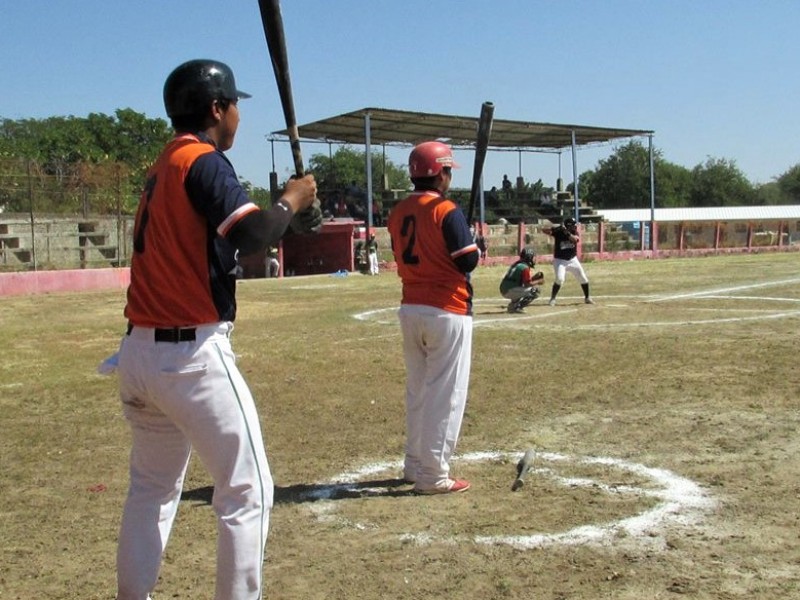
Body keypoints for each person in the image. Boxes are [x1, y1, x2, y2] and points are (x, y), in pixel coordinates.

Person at [115, 59, 319, 600]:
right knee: (248, 490)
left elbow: (229, 235)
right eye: (234, 106)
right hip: (189, 356)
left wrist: (292, 215)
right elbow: (252, 234)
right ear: (215, 109)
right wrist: (292, 200)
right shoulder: (203, 161)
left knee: (152, 491)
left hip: (139, 353)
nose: (236, 117)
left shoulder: (164, 164)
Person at [387, 141, 480, 495]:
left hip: (411, 305)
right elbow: (466, 261)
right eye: (448, 170)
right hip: (447, 308)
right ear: (439, 172)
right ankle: (433, 474)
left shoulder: (398, 211)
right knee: (446, 393)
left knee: (418, 390)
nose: (449, 176)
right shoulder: (446, 210)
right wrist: (475, 243)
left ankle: (414, 464)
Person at [542, 216, 594, 306]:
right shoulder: (559, 232)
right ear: (568, 226)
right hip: (560, 260)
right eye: (573, 225)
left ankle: (587, 297)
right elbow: (544, 230)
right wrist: (556, 228)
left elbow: (575, 239)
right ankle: (552, 299)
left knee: (583, 278)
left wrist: (566, 232)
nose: (574, 227)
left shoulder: (574, 232)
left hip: (572, 259)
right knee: (560, 279)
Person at [499, 247, 545, 313]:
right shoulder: (525, 267)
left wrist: (534, 278)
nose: (534, 259)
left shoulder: (517, 264)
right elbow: (527, 284)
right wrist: (538, 281)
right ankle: (517, 307)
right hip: (510, 290)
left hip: (505, 288)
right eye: (533, 257)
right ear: (529, 257)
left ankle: (512, 306)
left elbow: (521, 281)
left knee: (522, 288)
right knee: (535, 290)